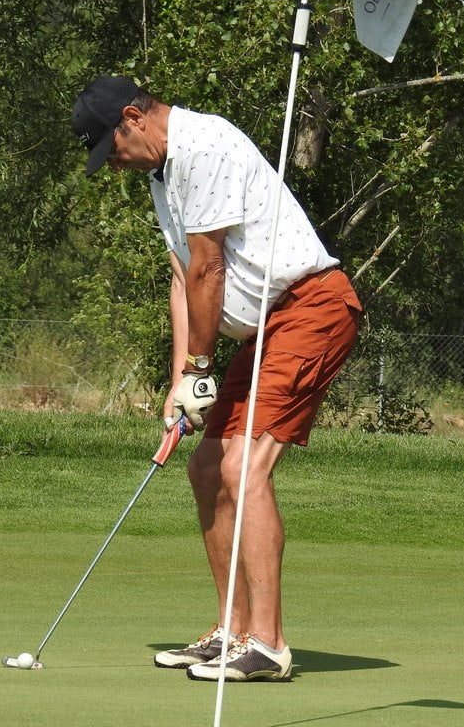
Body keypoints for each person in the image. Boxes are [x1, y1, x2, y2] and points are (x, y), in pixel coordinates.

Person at [71, 75, 362, 682]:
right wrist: (182, 382)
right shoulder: (163, 174)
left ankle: (268, 645)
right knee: (206, 467)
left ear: (134, 118)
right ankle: (232, 630)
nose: (115, 164)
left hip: (311, 309)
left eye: (113, 148)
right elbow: (182, 278)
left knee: (242, 468)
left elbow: (210, 268)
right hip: (267, 329)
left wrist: (202, 369)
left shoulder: (204, 146)